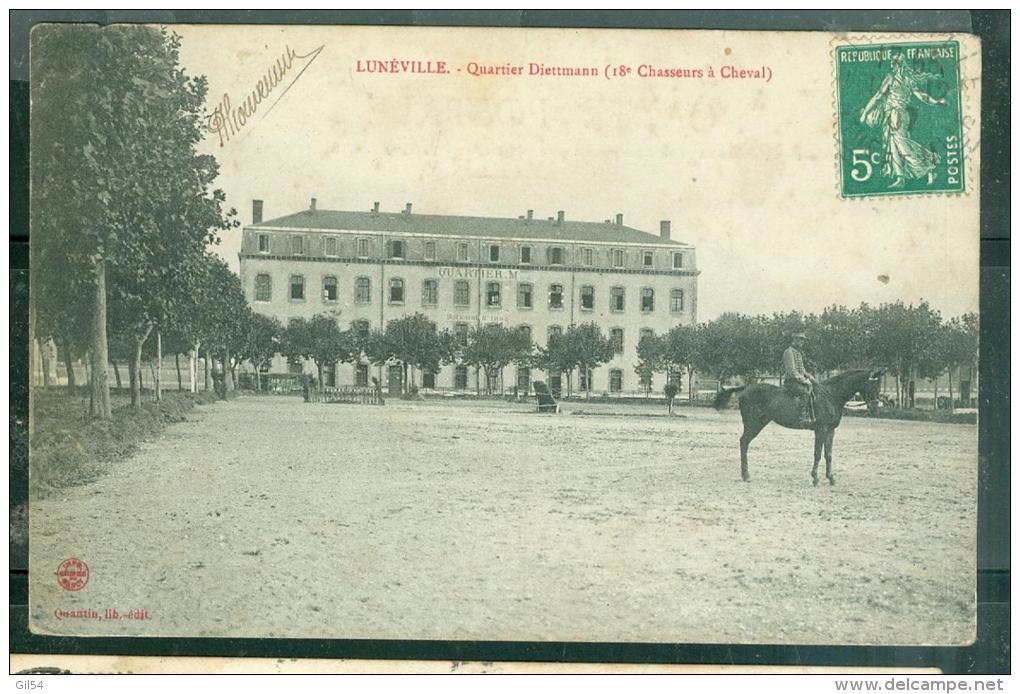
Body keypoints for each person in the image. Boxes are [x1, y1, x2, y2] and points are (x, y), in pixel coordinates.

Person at [859, 52, 948, 189]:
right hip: (896, 115)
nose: (890, 65)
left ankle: (929, 165)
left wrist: (865, 113)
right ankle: (901, 178)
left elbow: (878, 96)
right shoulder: (908, 79)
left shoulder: (892, 78)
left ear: (897, 65)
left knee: (902, 145)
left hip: (897, 116)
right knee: (894, 146)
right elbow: (922, 96)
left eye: (892, 63)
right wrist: (936, 102)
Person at [783, 332, 817, 426]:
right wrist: (805, 381)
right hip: (791, 382)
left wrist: (811, 378)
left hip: (799, 380)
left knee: (815, 389)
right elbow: (792, 372)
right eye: (800, 340)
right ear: (795, 340)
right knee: (805, 391)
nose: (802, 342)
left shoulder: (798, 353)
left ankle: (812, 415)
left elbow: (802, 370)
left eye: (803, 340)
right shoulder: (788, 352)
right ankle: (802, 417)